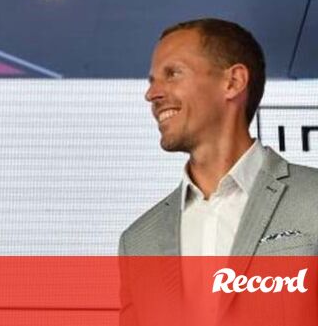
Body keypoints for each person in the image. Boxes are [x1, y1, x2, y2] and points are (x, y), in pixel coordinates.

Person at [119, 18, 318, 325]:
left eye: (172, 74)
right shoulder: (137, 242)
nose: (152, 94)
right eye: (152, 81)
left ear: (233, 82)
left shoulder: (312, 199)